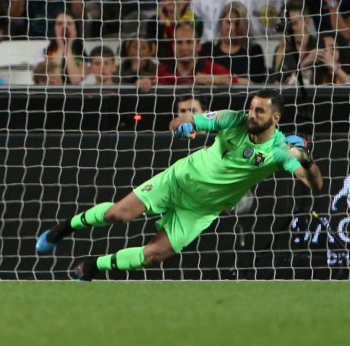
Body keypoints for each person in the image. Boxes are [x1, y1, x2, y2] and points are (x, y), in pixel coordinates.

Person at [36, 90, 323, 281]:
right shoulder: (230, 119)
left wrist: (308, 161)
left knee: (154, 255)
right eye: (251, 108)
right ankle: (63, 228)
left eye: (259, 112)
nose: (251, 114)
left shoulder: (281, 150)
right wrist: (184, 125)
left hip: (201, 209)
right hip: (177, 181)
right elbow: (182, 120)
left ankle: (92, 266)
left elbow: (314, 184)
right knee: (117, 215)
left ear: (275, 118)